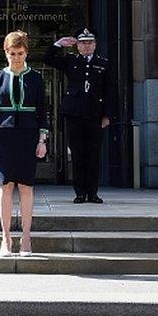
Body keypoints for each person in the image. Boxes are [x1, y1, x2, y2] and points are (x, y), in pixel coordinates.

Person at [0, 30, 49, 256]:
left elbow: (43, 112)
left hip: (29, 136)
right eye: (12, 53)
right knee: (6, 187)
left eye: (20, 53)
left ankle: (26, 239)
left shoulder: (36, 78)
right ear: (6, 52)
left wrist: (42, 140)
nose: (16, 57)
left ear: (26, 52)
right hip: (4, 136)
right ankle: (6, 239)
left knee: (26, 187)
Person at [44, 28, 116, 203]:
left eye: (90, 42)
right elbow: (48, 59)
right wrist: (58, 44)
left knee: (93, 155)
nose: (87, 46)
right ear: (78, 45)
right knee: (77, 155)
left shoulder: (103, 63)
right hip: (74, 114)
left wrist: (108, 115)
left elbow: (110, 91)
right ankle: (80, 193)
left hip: (95, 115)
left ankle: (92, 192)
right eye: (83, 43)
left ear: (95, 44)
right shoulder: (71, 60)